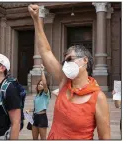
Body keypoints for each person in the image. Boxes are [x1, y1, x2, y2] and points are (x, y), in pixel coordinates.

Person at [28, 4, 110, 139]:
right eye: (64, 60)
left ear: (84, 61)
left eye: (70, 59)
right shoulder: (64, 81)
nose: (66, 64)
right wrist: (36, 20)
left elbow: (104, 137)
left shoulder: (98, 97)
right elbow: (46, 52)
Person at [27, 64, 51, 140]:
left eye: (42, 84)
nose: (40, 85)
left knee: (43, 138)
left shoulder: (46, 94)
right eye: (39, 84)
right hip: (35, 117)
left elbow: (44, 83)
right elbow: (37, 108)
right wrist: (29, 110)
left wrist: (42, 71)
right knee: (34, 138)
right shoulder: (37, 95)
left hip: (42, 118)